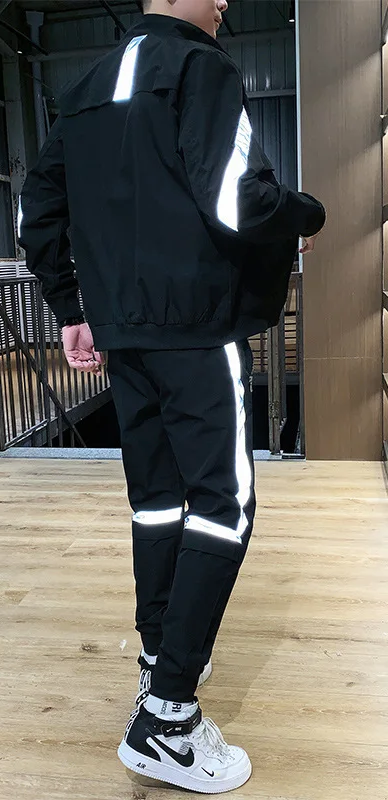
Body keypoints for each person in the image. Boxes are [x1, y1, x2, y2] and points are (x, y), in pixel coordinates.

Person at [19, 0, 325, 792]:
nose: (224, 3)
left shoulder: (84, 87)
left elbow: (36, 212)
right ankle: (169, 717)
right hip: (195, 328)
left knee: (157, 503)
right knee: (223, 506)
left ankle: (160, 654)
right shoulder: (199, 68)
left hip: (126, 337)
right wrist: (307, 213)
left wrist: (73, 308)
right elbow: (238, 200)